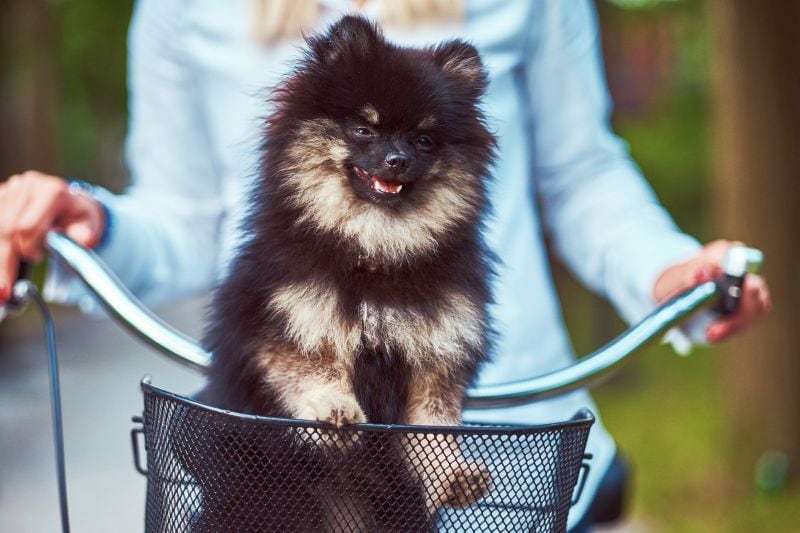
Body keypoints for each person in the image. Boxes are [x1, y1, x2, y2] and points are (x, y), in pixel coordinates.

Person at [0, 1, 770, 530]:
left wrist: (667, 271)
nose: (394, 157)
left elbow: (583, 175)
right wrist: (87, 223)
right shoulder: (182, 10)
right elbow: (186, 214)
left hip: (513, 437)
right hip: (280, 468)